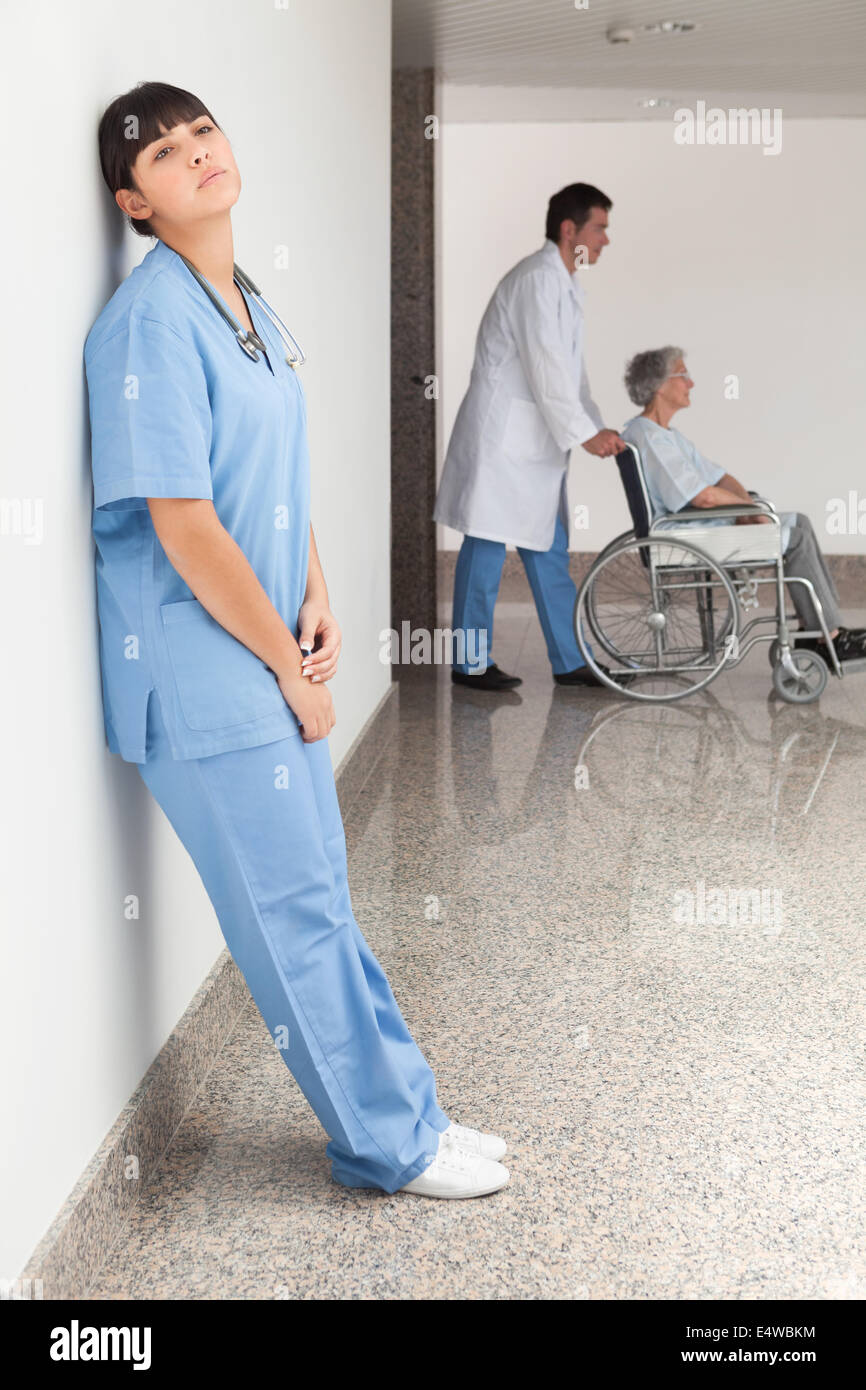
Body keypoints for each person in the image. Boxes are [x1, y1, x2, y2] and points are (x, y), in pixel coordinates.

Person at [85, 81, 509, 1199]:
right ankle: (387, 1144)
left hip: (266, 643)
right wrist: (287, 664)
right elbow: (182, 521)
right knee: (293, 921)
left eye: (204, 134)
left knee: (321, 898)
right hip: (202, 675)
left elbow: (269, 477)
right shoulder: (146, 325)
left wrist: (315, 592)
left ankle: (407, 1107)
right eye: (166, 156)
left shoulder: (245, 301)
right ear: (135, 202)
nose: (198, 158)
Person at [433, 183, 626, 690]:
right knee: (487, 547)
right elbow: (546, 367)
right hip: (504, 444)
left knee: (549, 547)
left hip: (537, 446)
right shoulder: (538, 280)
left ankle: (569, 659)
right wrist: (584, 433)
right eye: (600, 228)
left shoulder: (564, 284)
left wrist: (595, 425)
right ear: (570, 230)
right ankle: (469, 663)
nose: (605, 240)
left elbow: (570, 374)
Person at [621, 347, 866, 665]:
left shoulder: (667, 435)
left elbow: (720, 478)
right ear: (659, 385)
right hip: (683, 535)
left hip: (703, 526)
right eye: (683, 375)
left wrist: (748, 507)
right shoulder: (649, 437)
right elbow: (703, 497)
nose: (691, 383)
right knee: (797, 539)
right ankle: (830, 638)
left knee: (799, 522)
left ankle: (817, 630)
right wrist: (748, 512)